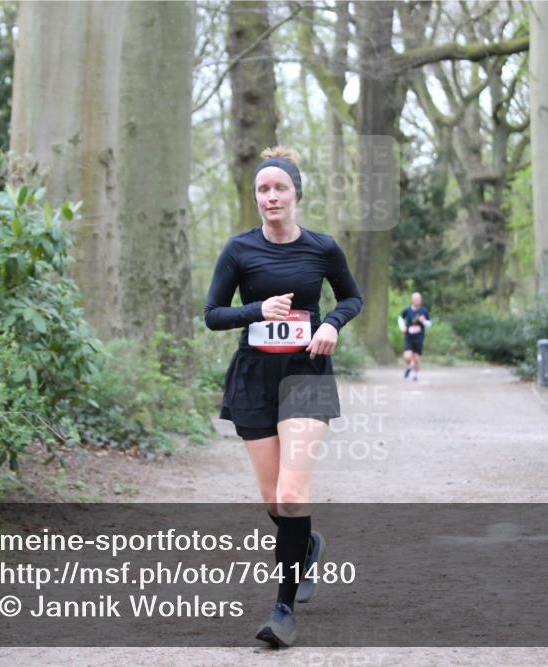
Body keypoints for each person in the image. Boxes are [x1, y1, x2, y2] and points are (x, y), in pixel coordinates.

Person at [204, 146, 363, 648]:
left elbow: (352, 297)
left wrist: (332, 323)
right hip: (254, 376)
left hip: (306, 374)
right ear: (256, 197)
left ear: (296, 194)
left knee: (293, 494)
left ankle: (282, 609)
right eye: (263, 190)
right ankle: (308, 542)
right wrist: (255, 309)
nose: (271, 197)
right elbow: (212, 314)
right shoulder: (238, 250)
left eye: (280, 188)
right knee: (276, 502)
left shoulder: (322, 248)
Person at [398, 292, 431, 381]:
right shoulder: (407, 310)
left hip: (419, 337)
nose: (416, 300)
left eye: (418, 299)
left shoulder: (424, 311)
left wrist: (423, 321)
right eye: (415, 299)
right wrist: (402, 327)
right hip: (409, 336)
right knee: (407, 356)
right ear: (412, 300)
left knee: (416, 358)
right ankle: (410, 366)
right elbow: (400, 318)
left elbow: (429, 324)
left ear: (420, 300)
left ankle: (415, 375)